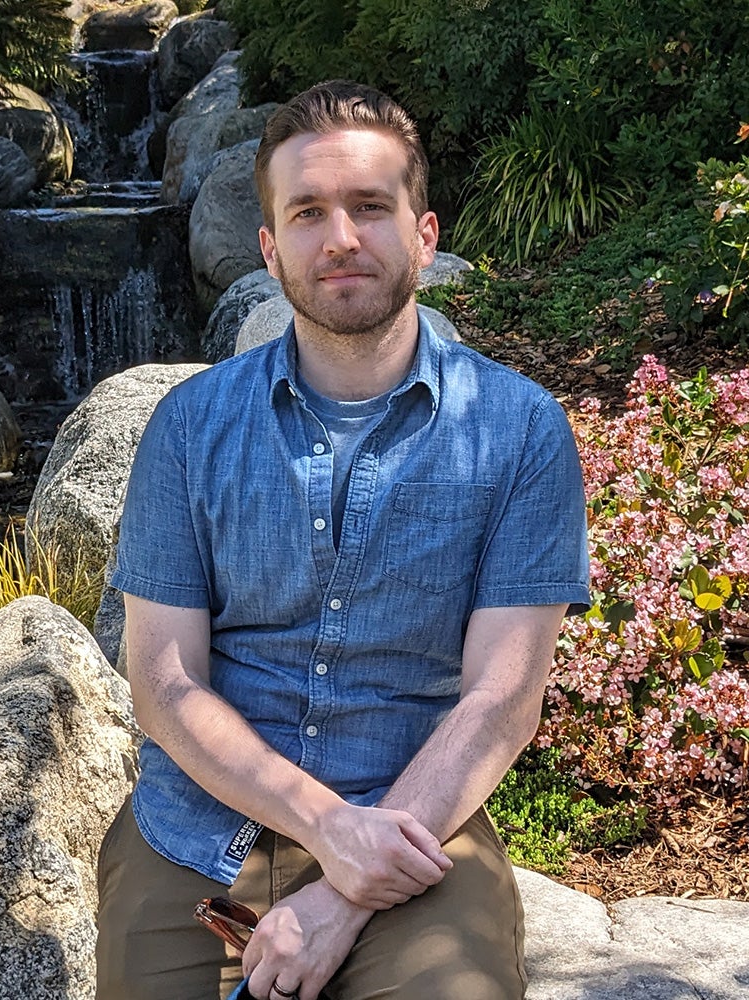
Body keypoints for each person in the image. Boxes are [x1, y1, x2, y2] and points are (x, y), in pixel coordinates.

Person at [95, 79, 590, 1000]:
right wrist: (330, 831)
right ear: (270, 247)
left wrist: (346, 891)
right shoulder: (189, 428)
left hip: (419, 823)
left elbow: (501, 697)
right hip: (198, 826)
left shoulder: (519, 430)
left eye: (371, 207)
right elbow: (163, 684)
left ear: (425, 234)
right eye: (310, 212)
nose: (344, 238)